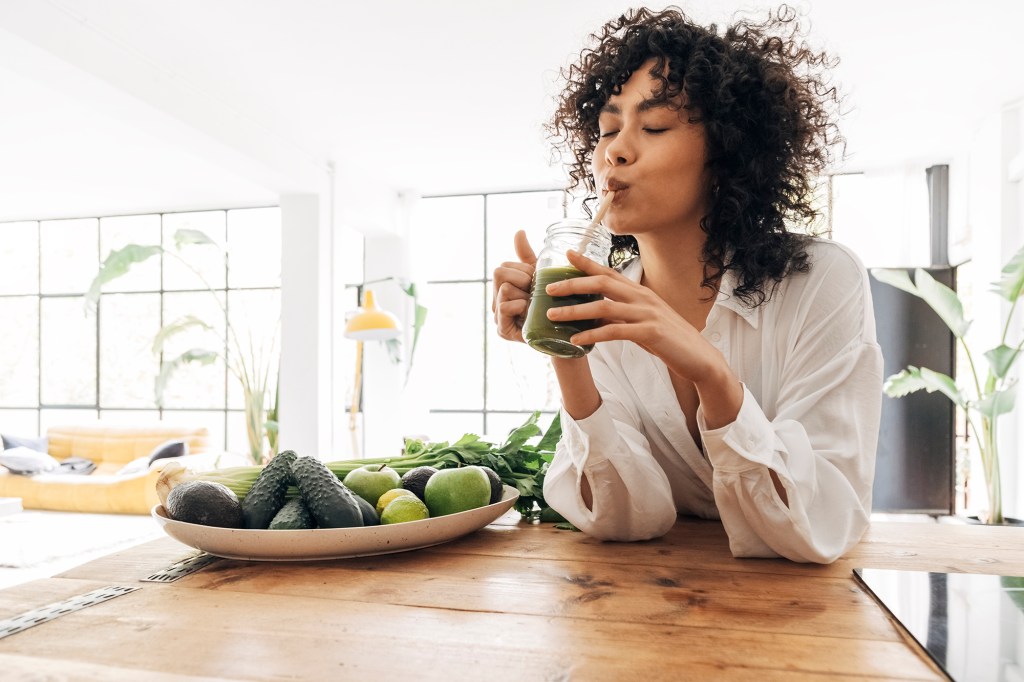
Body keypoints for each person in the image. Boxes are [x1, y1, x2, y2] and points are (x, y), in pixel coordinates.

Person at [491, 6, 883, 563]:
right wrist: (564, 344)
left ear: (725, 151)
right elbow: (623, 520)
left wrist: (711, 373)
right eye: (607, 129)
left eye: (653, 126)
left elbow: (821, 524)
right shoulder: (601, 298)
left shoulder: (821, 281)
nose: (615, 151)